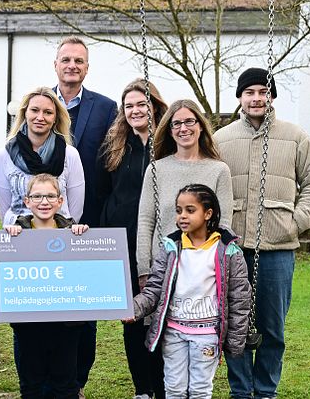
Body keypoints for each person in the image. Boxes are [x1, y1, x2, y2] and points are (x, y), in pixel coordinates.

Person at [213, 67, 310, 399]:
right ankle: (240, 390)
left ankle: (265, 391)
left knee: (272, 329)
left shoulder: (295, 137)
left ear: (271, 96)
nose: (256, 98)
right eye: (250, 93)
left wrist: (297, 220)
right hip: (232, 248)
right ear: (240, 98)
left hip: (277, 250)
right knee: (234, 325)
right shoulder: (221, 139)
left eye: (263, 92)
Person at [129, 184, 251, 397]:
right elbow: (154, 288)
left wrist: (234, 340)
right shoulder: (170, 247)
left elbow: (240, 298)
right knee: (174, 388)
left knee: (199, 390)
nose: (182, 216)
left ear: (208, 213)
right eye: (179, 210)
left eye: (190, 210)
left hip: (207, 335)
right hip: (174, 332)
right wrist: (134, 308)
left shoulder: (228, 251)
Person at [96, 78, 169, 399]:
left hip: (160, 245)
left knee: (162, 318)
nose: (136, 110)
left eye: (142, 104)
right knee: (133, 318)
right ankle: (142, 388)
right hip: (122, 244)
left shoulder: (167, 146)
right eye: (129, 106)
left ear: (155, 107)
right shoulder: (114, 147)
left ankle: (163, 384)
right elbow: (102, 194)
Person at [0, 174, 89, 399]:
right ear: (27, 201)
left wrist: (83, 237)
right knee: (31, 384)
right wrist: (6, 240)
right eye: (38, 196)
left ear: (61, 201)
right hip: (28, 325)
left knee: (65, 384)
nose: (44, 201)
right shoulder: (15, 233)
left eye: (51, 196)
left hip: (66, 326)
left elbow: (89, 270)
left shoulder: (74, 233)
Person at [53, 38, 116, 394]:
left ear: (87, 68)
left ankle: (77, 381)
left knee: (83, 311)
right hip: (42, 224)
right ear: (56, 64)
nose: (72, 65)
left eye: (79, 60)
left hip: (88, 224)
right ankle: (49, 380)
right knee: (48, 306)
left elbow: (110, 165)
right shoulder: (40, 105)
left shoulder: (106, 109)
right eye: (66, 59)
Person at [136, 99, 233, 289]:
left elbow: (224, 225)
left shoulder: (219, 170)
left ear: (201, 126)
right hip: (163, 266)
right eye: (176, 124)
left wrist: (218, 264)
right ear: (170, 131)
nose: (183, 128)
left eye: (189, 121)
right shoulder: (156, 169)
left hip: (204, 269)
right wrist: (144, 269)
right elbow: (146, 222)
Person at [0, 87, 85, 225]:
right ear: (25, 113)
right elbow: (5, 207)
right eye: (35, 110)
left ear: (55, 118)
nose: (40, 117)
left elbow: (75, 210)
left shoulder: (70, 155)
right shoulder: (5, 155)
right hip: (19, 236)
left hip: (58, 239)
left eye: (48, 112)